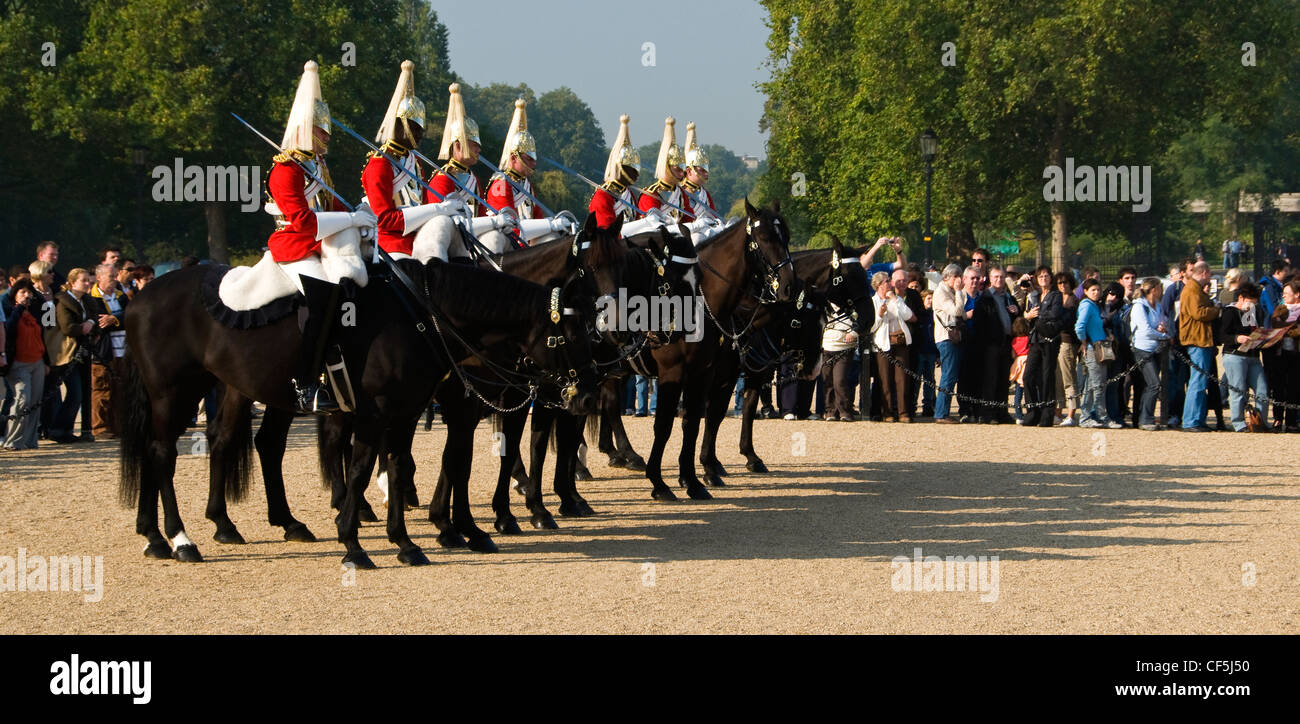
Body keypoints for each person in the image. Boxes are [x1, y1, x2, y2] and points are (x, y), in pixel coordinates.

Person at [264, 61, 374, 413]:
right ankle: (306, 380)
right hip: (293, 246)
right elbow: (303, 222)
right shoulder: (284, 170)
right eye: (320, 130)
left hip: (318, 245)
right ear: (303, 129)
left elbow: (333, 204)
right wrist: (348, 217)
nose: (327, 136)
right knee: (324, 296)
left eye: (326, 130)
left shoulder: (317, 166)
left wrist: (362, 209)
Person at [362, 61, 466, 262]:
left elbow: (422, 203)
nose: (420, 135)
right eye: (415, 128)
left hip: (420, 240)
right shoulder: (380, 164)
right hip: (392, 245)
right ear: (400, 126)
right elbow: (385, 220)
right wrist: (438, 208)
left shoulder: (413, 161)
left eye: (420, 129)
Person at [483, 98, 577, 246]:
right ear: (513, 158)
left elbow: (537, 219)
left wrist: (552, 226)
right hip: (506, 247)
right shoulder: (500, 184)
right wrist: (550, 225)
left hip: (525, 246)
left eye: (533, 159)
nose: (534, 164)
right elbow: (510, 227)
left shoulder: (526, 185)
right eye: (528, 159)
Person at [45, 268, 95, 443]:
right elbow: (67, 327)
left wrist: (90, 322)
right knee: (75, 393)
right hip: (66, 353)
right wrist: (84, 327)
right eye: (84, 280)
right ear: (73, 282)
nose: (88, 284)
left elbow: (95, 316)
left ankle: (66, 430)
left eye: (89, 280)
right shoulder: (62, 301)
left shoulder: (86, 301)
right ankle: (58, 429)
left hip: (82, 351)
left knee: (81, 392)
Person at [3, 279, 48, 450]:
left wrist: (46, 362)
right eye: (22, 292)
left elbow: (43, 334)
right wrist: (20, 307)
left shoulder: (35, 312)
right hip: (18, 363)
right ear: (14, 294)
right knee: (22, 400)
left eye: (29, 292)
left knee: (35, 402)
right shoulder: (9, 310)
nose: (27, 295)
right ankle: (12, 440)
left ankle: (29, 440)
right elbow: (9, 328)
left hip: (37, 361)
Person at [85, 263, 128, 440]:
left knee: (120, 391)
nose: (115, 280)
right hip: (103, 353)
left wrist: (115, 319)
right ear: (99, 277)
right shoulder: (91, 298)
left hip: (123, 352)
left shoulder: (121, 296)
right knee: (102, 391)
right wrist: (116, 320)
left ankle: (117, 427)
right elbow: (100, 324)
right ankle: (100, 427)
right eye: (111, 277)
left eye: (116, 276)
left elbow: (131, 315)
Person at [972, 265, 1018, 423]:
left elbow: (1015, 318)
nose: (999, 280)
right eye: (996, 277)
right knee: (990, 380)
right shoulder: (984, 298)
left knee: (1003, 379)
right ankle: (988, 413)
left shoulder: (1008, 297)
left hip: (1006, 342)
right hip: (990, 344)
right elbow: (979, 324)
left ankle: (1002, 412)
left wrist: (1015, 311)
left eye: (1001, 277)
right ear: (990, 279)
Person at [1178, 261, 1221, 432]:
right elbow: (1198, 313)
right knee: (1197, 382)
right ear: (1204, 273)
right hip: (1197, 340)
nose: (1210, 278)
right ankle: (1191, 420)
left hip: (1202, 339)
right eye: (1209, 274)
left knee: (1200, 382)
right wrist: (1216, 309)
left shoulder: (1193, 289)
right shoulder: (1192, 289)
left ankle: (1198, 418)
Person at [1219, 282, 1267, 432]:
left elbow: (1254, 330)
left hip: (1252, 355)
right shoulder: (1229, 312)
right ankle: (1239, 423)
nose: (1252, 305)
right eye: (1251, 302)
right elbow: (1221, 335)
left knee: (1262, 389)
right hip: (1235, 356)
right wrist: (1236, 338)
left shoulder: (1251, 312)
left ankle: (1260, 421)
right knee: (1238, 390)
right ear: (1241, 298)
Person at [1075, 279, 1121, 429]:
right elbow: (1080, 326)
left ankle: (1086, 416)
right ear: (1086, 292)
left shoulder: (1094, 306)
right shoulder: (1087, 306)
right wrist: (1083, 341)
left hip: (1098, 347)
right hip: (1091, 349)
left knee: (1092, 384)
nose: (1096, 293)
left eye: (1098, 290)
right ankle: (1101, 417)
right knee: (1098, 385)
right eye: (1092, 290)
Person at [870, 271, 915, 422]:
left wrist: (895, 299)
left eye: (889, 280)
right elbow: (870, 328)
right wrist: (879, 315)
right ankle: (887, 412)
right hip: (883, 345)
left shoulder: (897, 299)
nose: (890, 283)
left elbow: (908, 315)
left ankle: (903, 412)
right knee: (885, 380)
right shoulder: (873, 302)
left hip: (900, 343)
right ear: (878, 285)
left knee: (902, 379)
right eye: (886, 281)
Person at [1022, 266, 1064, 427]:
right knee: (1028, 376)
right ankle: (1032, 412)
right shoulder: (1035, 296)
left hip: (1048, 340)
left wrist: (1037, 315)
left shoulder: (1056, 295)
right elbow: (1026, 314)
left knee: (1047, 378)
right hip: (1035, 339)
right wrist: (1028, 315)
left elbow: (1054, 314)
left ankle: (1047, 414)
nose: (1044, 279)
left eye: (1046, 276)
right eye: (1040, 277)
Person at [588, 114, 644, 231]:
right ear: (621, 168)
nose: (636, 175)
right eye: (632, 170)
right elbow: (607, 231)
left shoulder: (629, 194)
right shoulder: (602, 195)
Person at [1129, 278, 1170, 430]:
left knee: (1150, 385)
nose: (1161, 291)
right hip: (1142, 350)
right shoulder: (1139, 307)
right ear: (1153, 290)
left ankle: (1146, 417)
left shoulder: (1157, 306)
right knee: (1154, 384)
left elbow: (1162, 323)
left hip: (1156, 349)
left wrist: (1161, 330)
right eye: (1160, 288)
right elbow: (1145, 330)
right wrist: (1163, 335)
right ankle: (1145, 419)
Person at [637, 116, 692, 223]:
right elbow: (653, 226)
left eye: (682, 170)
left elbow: (689, 219)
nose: (682, 174)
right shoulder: (651, 194)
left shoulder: (680, 193)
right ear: (667, 167)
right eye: (677, 170)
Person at [932, 264, 967, 423]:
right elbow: (957, 311)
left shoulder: (949, 292)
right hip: (946, 338)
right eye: (956, 276)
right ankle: (941, 413)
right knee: (948, 375)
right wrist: (959, 291)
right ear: (946, 277)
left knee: (950, 375)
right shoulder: (941, 293)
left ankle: (943, 411)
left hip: (951, 337)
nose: (958, 280)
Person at [821, 294, 860, 422]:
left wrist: (853, 333)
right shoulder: (824, 308)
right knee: (828, 381)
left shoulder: (851, 307)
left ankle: (844, 410)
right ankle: (830, 411)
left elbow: (860, 321)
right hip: (826, 347)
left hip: (844, 347)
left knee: (840, 380)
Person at [1269, 280, 1300, 432]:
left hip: (1296, 354)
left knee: (1294, 387)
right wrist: (1289, 328)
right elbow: (1274, 326)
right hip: (1280, 354)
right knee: (1278, 388)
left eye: (1288, 293)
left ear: (1297, 295)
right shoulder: (1280, 309)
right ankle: (1277, 419)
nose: (1284, 296)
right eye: (1284, 293)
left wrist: (1287, 328)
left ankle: (1291, 421)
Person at [1054, 271, 1079, 426]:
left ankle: (1071, 412)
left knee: (1068, 378)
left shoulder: (1074, 301)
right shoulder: (1056, 299)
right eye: (1060, 283)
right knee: (1058, 379)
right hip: (1056, 340)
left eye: (1066, 282)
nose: (1063, 285)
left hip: (1068, 341)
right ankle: (1058, 410)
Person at [680, 122, 718, 222]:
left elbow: (714, 217)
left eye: (706, 170)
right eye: (701, 170)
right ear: (689, 171)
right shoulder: (679, 193)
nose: (706, 173)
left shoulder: (705, 194)